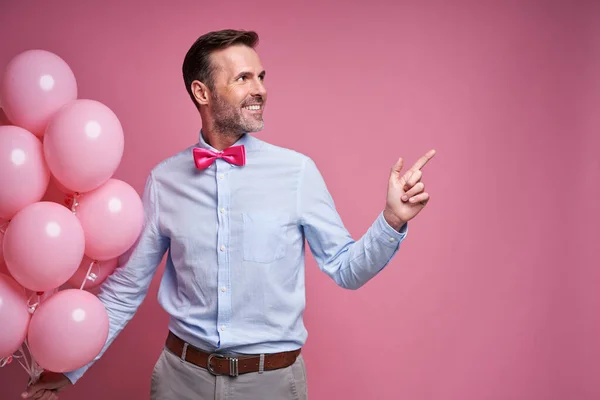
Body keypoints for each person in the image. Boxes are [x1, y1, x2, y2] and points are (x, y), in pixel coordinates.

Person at [23, 29, 435, 400]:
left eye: (261, 77)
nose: (260, 90)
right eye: (243, 79)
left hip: (272, 385)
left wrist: (392, 220)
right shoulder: (164, 181)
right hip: (180, 382)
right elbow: (127, 288)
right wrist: (72, 366)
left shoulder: (297, 173)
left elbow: (346, 268)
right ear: (202, 93)